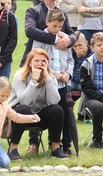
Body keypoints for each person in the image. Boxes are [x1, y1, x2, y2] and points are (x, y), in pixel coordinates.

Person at [8, 48, 67, 160]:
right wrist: (34, 81)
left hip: (39, 116)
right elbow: (24, 101)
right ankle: (13, 149)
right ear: (30, 63)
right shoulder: (20, 75)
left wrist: (48, 79)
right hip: (18, 115)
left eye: (43, 61)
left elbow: (54, 101)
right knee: (24, 109)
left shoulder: (51, 77)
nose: (40, 63)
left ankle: (55, 148)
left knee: (57, 109)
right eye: (37, 61)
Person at [32, 9, 75, 156]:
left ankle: (66, 144)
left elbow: (70, 59)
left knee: (65, 114)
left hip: (62, 84)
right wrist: (54, 74)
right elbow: (36, 61)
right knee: (40, 111)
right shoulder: (40, 38)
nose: (57, 29)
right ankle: (34, 142)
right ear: (47, 22)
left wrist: (68, 73)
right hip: (45, 83)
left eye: (60, 27)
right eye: (54, 26)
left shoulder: (64, 38)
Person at [22, 0, 77, 66]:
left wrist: (69, 40)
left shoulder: (62, 14)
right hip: (36, 58)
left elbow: (72, 34)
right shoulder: (33, 11)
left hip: (57, 60)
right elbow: (30, 31)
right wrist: (55, 39)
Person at [71, 32, 93, 121]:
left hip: (84, 82)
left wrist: (81, 58)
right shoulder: (70, 53)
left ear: (86, 43)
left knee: (87, 89)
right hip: (72, 81)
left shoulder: (92, 54)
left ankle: (81, 115)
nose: (77, 48)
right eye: (75, 46)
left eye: (80, 45)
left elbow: (86, 72)